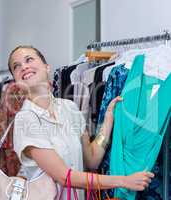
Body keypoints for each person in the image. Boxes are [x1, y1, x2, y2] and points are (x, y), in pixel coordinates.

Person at [8, 45, 154, 199]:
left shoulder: (69, 108)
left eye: (29, 59)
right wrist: (123, 181)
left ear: (47, 67)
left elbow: (91, 159)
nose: (24, 67)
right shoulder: (26, 119)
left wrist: (108, 120)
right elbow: (64, 177)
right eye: (16, 66)